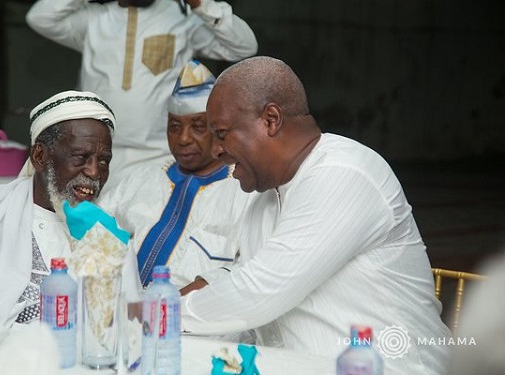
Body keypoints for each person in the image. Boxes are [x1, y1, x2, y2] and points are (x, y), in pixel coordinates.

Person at [180, 56, 451, 374]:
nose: (216, 151)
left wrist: (156, 312)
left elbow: (260, 291)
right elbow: (249, 278)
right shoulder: (263, 203)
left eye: (222, 133)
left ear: (270, 120)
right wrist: (175, 298)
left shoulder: (343, 172)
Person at [0, 90, 136, 328]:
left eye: (103, 161)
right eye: (81, 157)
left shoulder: (105, 229)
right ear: (39, 156)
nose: (94, 172)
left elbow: (130, 323)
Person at [25, 0, 258, 189]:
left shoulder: (183, 19)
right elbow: (40, 17)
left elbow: (244, 47)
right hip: (98, 157)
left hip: (159, 158)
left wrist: (201, 5)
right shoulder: (95, 19)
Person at [98, 60, 251, 291]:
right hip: (120, 315)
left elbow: (250, 272)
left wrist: (171, 304)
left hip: (193, 323)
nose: (183, 139)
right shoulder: (143, 178)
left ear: (219, 130)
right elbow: (96, 232)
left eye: (198, 127)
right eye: (175, 126)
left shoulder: (243, 190)